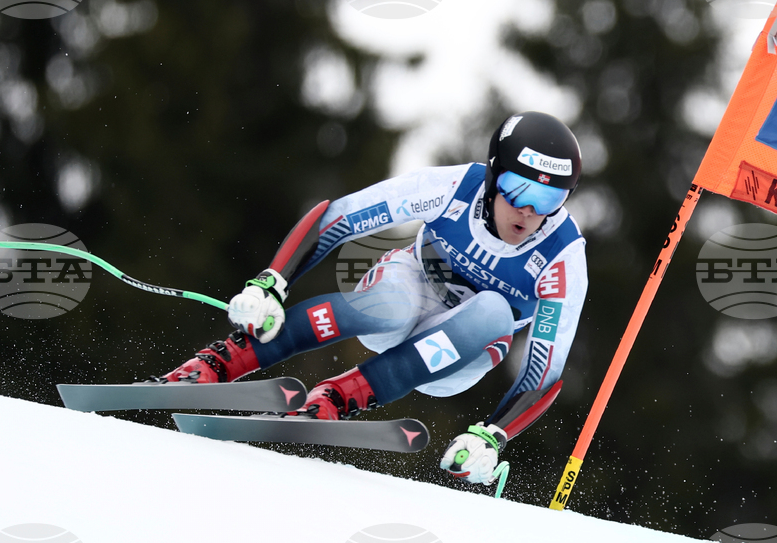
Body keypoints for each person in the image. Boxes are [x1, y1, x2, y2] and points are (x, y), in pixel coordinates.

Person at [153, 111, 588, 487]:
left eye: (550, 198)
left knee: (494, 310)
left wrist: (494, 434)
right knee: (393, 303)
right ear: (494, 176)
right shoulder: (454, 186)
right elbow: (337, 218)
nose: (529, 210)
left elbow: (543, 371)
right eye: (518, 189)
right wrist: (271, 282)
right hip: (411, 292)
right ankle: (220, 362)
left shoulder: (563, 258)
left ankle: (340, 397)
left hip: (451, 357)